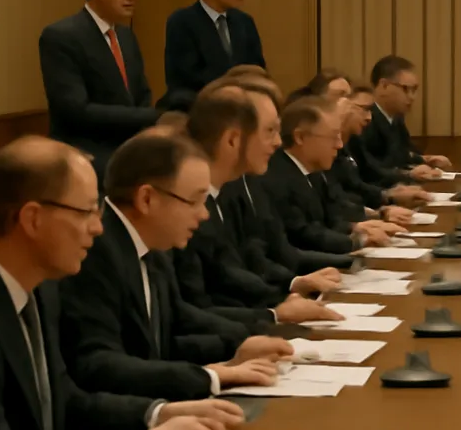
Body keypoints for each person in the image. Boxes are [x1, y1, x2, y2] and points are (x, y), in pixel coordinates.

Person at [0, 137, 242, 430]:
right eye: (86, 211)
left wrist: (158, 413)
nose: (99, 226)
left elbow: (65, 401)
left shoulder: (38, 292)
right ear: (32, 218)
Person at [59, 132, 292, 401]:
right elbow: (97, 364)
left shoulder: (153, 242)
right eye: (194, 201)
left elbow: (173, 323)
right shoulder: (95, 251)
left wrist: (240, 342)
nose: (204, 214)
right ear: (147, 199)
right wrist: (211, 375)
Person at [173, 92, 336, 329]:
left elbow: (235, 269)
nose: (279, 142)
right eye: (269, 131)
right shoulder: (187, 205)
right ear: (232, 140)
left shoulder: (225, 193)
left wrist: (288, 290)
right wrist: (274, 313)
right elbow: (195, 305)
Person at [39, 0, 158, 178]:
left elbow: (142, 93)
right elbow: (75, 110)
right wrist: (151, 117)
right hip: (85, 151)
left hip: (130, 146)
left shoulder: (126, 36)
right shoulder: (61, 36)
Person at [263, 98, 404, 255]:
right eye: (333, 136)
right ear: (300, 137)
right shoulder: (277, 177)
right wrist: (356, 242)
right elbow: (302, 234)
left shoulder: (313, 171)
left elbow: (331, 218)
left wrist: (357, 227)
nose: (339, 145)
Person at [162, 0, 267, 109]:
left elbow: (258, 68)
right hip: (200, 108)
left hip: (244, 108)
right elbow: (185, 77)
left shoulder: (244, 21)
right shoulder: (182, 22)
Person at [330, 83, 428, 219]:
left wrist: (389, 194)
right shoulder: (322, 150)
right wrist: (382, 207)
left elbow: (366, 175)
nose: (369, 118)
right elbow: (333, 202)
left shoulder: (352, 140)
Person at [354, 55, 450, 184]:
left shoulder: (396, 117)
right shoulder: (365, 119)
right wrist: (407, 174)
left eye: (414, 90)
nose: (412, 97)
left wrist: (425, 159)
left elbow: (402, 152)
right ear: (384, 85)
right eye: (405, 89)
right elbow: (370, 169)